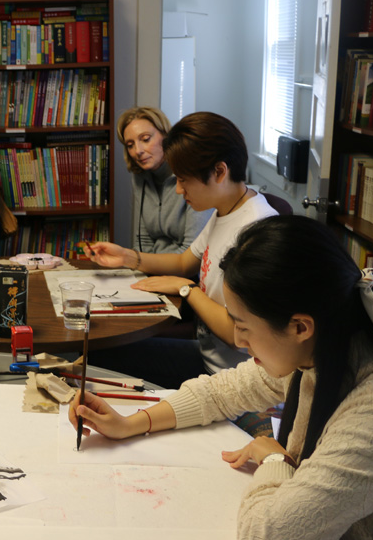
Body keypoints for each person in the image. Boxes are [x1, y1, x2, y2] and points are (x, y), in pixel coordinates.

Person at [70, 215, 373, 540]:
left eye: (243, 326)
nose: (237, 340)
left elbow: (268, 538)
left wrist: (276, 460)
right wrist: (130, 424)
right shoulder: (325, 348)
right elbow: (221, 391)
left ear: (300, 326)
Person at [85, 111, 277, 387]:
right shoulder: (226, 209)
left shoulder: (257, 230)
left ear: (219, 172)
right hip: (208, 358)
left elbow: (238, 336)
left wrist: (187, 289)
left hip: (231, 381)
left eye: (183, 179)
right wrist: (127, 257)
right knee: (95, 353)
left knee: (101, 363)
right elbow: (184, 262)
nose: (178, 190)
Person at [116, 106, 211, 254]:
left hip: (186, 266)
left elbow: (192, 252)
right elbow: (143, 242)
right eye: (130, 145)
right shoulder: (140, 177)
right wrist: (131, 262)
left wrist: (138, 261)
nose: (138, 151)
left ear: (166, 135)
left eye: (145, 139)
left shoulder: (193, 174)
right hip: (154, 264)